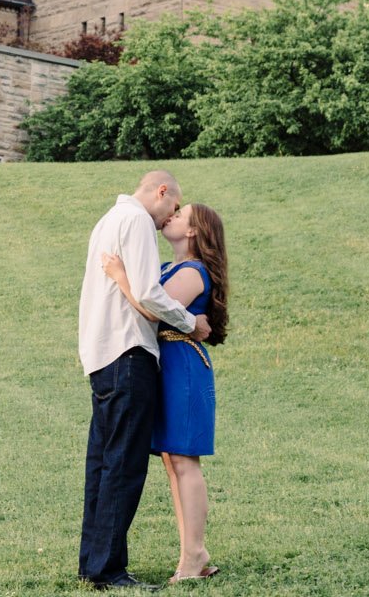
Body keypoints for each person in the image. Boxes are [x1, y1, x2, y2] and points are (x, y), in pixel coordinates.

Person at [79, 170, 211, 589]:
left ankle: (94, 563)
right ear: (161, 192)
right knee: (123, 465)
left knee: (102, 464)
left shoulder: (107, 220)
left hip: (101, 353)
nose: (167, 218)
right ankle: (108, 571)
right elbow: (150, 296)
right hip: (128, 353)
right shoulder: (136, 220)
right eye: (172, 207)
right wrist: (191, 323)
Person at [103, 201, 229, 582]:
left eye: (180, 215)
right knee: (173, 461)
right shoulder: (168, 268)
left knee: (184, 461)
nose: (170, 217)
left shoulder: (192, 271)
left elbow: (151, 308)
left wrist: (119, 275)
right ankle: (194, 552)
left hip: (184, 367)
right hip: (168, 366)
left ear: (193, 231)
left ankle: (193, 556)